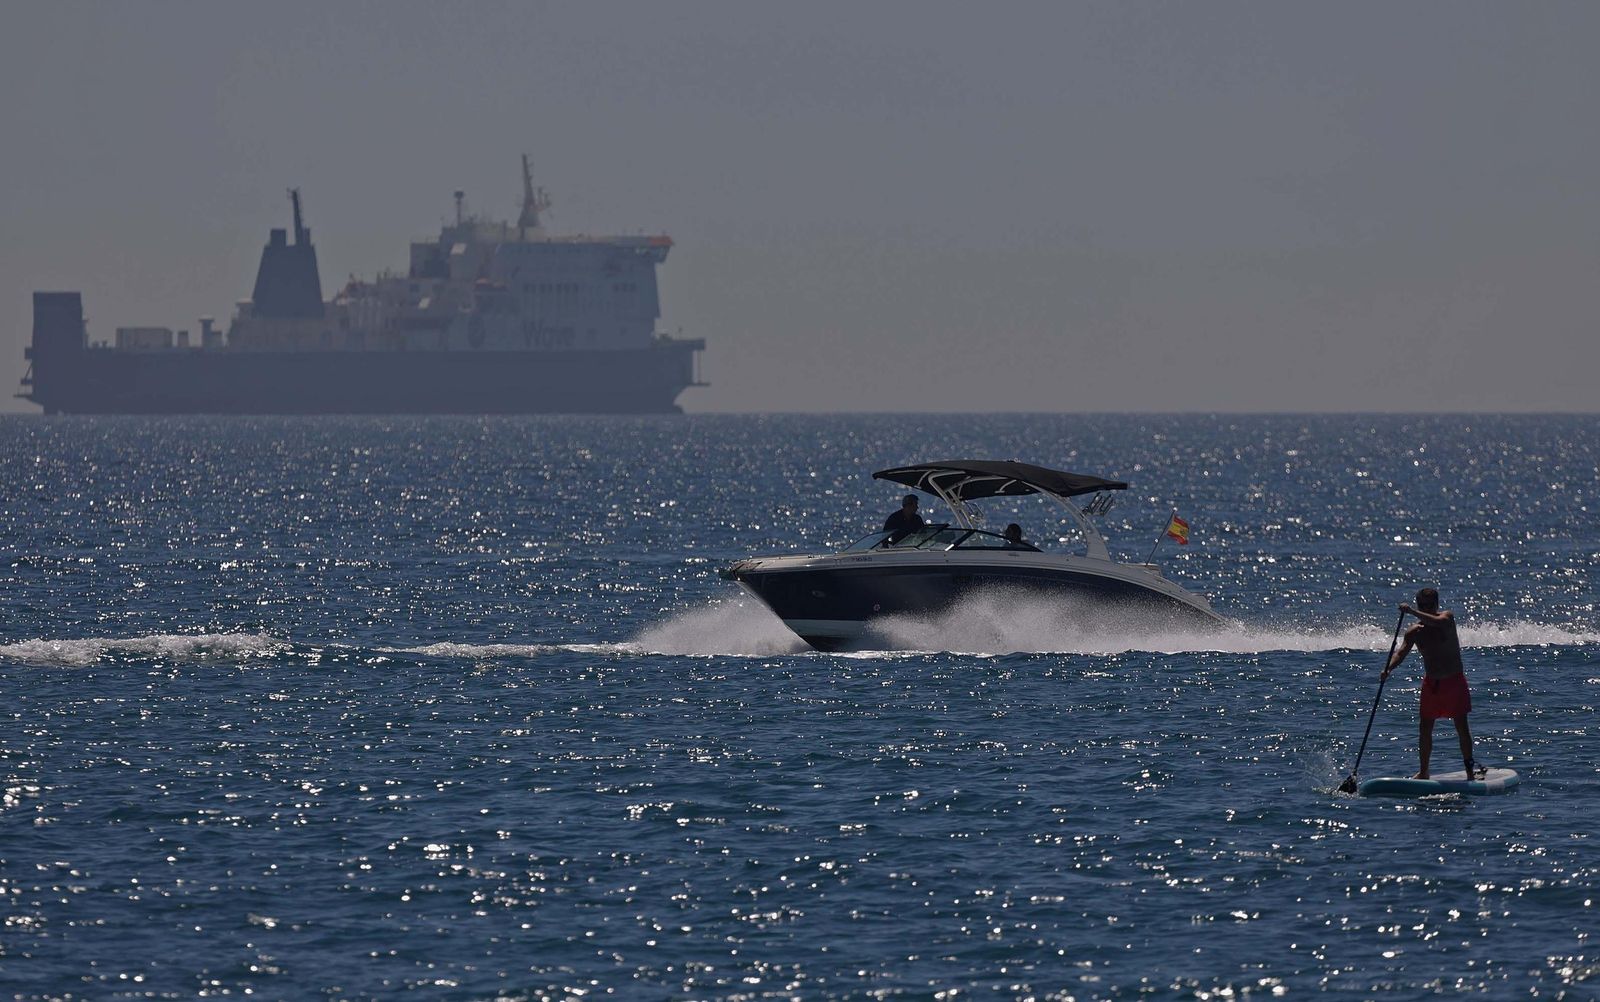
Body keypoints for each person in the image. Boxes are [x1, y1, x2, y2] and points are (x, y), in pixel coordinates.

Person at [1380, 587, 1479, 780]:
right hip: (1432, 685)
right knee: (1424, 728)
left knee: (1462, 727)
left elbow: (1437, 621)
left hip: (1454, 682)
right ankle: (1424, 772)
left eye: (1429, 606)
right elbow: (1400, 653)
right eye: (1421, 606)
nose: (1425, 609)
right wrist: (1388, 669)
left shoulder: (1446, 619)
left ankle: (1469, 772)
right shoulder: (1415, 631)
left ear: (1436, 605)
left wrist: (1411, 611)